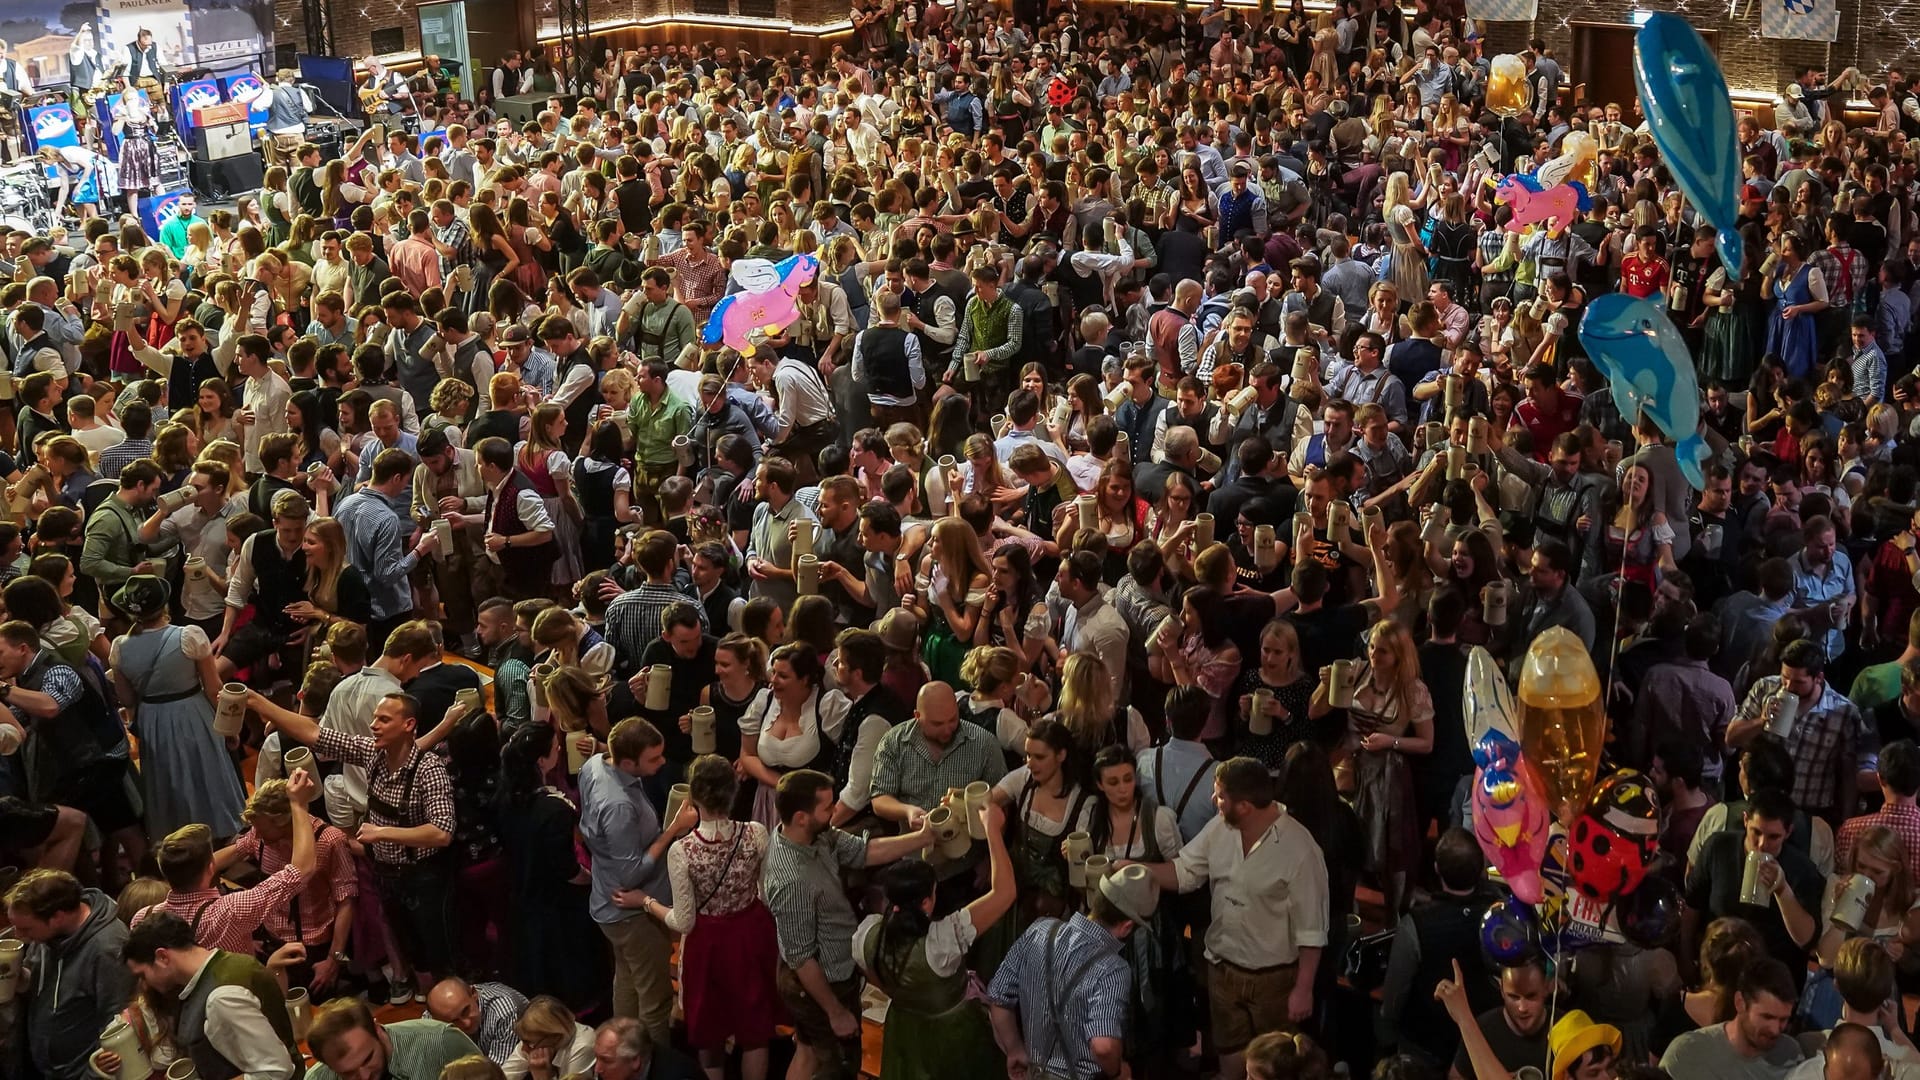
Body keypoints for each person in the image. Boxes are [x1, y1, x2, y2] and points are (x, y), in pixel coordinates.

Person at [1128, 756, 1328, 1080]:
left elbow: (1312, 930)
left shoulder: (1300, 850)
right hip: (1221, 970)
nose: (1213, 800)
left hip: (1273, 981)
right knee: (1230, 1064)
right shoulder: (1220, 827)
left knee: (1272, 1071)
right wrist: (1132, 868)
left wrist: (1303, 989)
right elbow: (1184, 872)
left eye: (1220, 795)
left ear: (1245, 805)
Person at [762, 768, 937, 1080]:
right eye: (827, 807)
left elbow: (864, 852)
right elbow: (802, 958)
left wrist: (921, 838)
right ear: (801, 817)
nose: (835, 810)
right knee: (837, 1067)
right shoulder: (791, 879)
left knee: (807, 1052)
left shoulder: (816, 834)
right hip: (820, 985)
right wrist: (836, 1012)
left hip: (826, 973)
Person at [855, 799, 1015, 1079]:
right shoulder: (943, 942)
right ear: (928, 901)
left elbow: (875, 975)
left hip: (905, 1028)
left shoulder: (867, 934)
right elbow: (1004, 893)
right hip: (951, 1036)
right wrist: (992, 829)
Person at [985, 862, 1160, 1080]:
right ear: (1126, 926)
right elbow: (1104, 1046)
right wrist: (1117, 1073)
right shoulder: (1113, 970)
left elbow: (998, 997)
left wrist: (1014, 1050)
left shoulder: (1039, 929)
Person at [578, 717, 691, 1046]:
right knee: (655, 1001)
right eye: (654, 758)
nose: (663, 762)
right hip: (630, 914)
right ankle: (652, 1064)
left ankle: (621, 1050)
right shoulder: (618, 806)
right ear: (628, 762)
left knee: (626, 980)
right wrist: (672, 830)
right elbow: (631, 875)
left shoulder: (595, 764)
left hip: (605, 898)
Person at [118, 911, 303, 1080]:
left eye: (142, 975)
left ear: (163, 957)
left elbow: (276, 1071)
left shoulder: (220, 998)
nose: (144, 984)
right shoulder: (232, 963)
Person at [4, 869, 135, 1080]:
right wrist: (19, 979)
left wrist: (94, 1074)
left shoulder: (107, 948)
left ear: (57, 917)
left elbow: (119, 1022)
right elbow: (39, 982)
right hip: (47, 1071)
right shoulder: (46, 937)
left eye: (26, 929)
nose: (20, 936)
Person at [1658, 958, 1808, 1077]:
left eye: (1783, 1020)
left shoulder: (1791, 1053)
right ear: (1740, 1003)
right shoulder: (1686, 1055)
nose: (1776, 1030)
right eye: (1767, 1017)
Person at [303, 998, 485, 1080]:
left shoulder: (440, 1040)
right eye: (348, 1073)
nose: (365, 1077)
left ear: (377, 1029)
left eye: (368, 1058)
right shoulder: (317, 1078)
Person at [425, 978, 533, 1065]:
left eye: (465, 1011)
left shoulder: (505, 1012)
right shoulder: (432, 1017)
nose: (466, 1023)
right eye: (454, 1020)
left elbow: (496, 1073)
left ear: (474, 994)